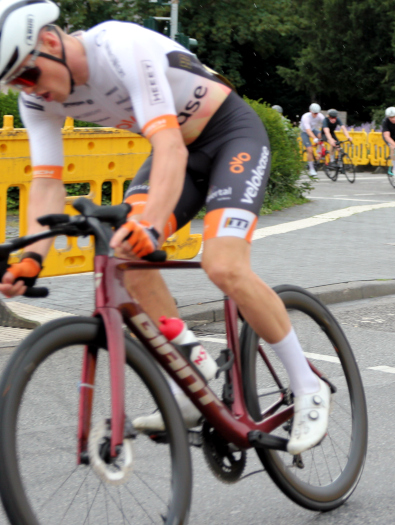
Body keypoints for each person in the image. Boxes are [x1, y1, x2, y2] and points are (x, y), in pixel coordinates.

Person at [0, 0, 331, 454]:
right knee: (125, 256)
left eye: (27, 75)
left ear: (50, 42)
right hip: (178, 152)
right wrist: (31, 259)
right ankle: (191, 373)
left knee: (223, 266)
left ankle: (309, 384)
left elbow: (169, 147)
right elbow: (45, 181)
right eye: (15, 83)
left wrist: (152, 228)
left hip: (230, 136)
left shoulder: (118, 47)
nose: (28, 88)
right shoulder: (39, 98)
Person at [301, 103, 325, 175]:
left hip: (313, 129)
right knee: (310, 150)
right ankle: (311, 169)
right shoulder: (306, 117)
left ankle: (319, 150)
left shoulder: (320, 116)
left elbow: (325, 124)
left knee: (321, 135)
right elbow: (308, 131)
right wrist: (314, 138)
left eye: (317, 113)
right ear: (310, 111)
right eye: (314, 113)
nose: (316, 115)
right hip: (304, 132)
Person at [381, 106, 395, 173]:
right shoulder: (385, 121)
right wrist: (394, 144)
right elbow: (387, 136)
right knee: (392, 147)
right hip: (388, 136)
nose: (392, 119)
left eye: (394, 117)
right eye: (390, 117)